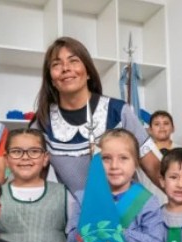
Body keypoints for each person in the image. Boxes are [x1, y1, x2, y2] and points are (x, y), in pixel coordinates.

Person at [32, 36, 161, 195]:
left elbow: (154, 168)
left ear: (88, 72)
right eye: (56, 64)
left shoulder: (118, 112)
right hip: (80, 215)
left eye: (73, 61)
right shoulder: (43, 121)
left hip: (128, 212)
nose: (65, 68)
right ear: (51, 79)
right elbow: (34, 179)